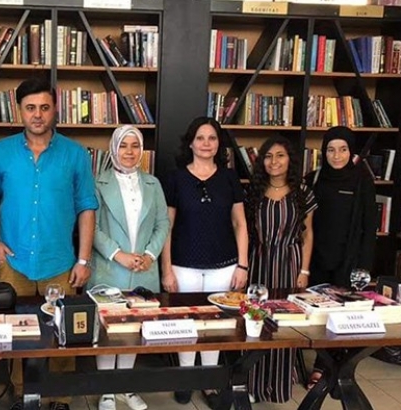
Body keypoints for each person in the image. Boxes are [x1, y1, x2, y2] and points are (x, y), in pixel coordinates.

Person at [0, 77, 98, 410]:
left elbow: (87, 206)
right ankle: (24, 394)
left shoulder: (75, 154)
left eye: (44, 107)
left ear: (55, 110)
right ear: (19, 110)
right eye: (30, 108)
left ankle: (60, 397)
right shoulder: (1, 152)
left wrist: (83, 260)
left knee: (64, 333)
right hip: (13, 260)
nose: (37, 115)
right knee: (17, 332)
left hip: (60, 262)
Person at [160, 116, 248, 409]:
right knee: (186, 323)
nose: (206, 144)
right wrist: (166, 269)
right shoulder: (175, 178)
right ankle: (186, 378)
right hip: (183, 265)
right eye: (200, 138)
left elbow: (239, 223)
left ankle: (209, 381)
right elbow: (167, 227)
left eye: (212, 138)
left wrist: (243, 265)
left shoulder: (229, 178)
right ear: (191, 143)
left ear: (219, 143)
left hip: (224, 265)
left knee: (215, 325)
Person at [88, 125, 170, 410]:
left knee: (134, 330)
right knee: (107, 331)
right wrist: (118, 254)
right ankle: (106, 390)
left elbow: (163, 223)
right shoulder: (98, 183)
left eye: (135, 146)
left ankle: (125, 387)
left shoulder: (153, 184)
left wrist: (149, 254)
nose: (129, 152)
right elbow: (91, 227)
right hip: (109, 267)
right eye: (123, 145)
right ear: (114, 149)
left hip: (144, 269)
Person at [245, 136, 317, 403]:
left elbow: (308, 235)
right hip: (258, 262)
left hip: (289, 263)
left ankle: (278, 385)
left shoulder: (302, 192)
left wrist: (304, 271)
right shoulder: (253, 191)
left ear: (290, 160)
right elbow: (244, 231)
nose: (273, 161)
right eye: (268, 156)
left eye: (280, 155)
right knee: (255, 320)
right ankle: (252, 384)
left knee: (283, 322)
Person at [304, 126, 376, 388]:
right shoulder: (313, 179)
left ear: (351, 151)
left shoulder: (362, 181)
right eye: (331, 150)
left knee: (340, 315)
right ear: (324, 152)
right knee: (318, 313)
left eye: (343, 149)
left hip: (348, 260)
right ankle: (323, 363)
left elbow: (370, 227)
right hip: (315, 259)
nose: (337, 156)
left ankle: (327, 368)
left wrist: (364, 266)